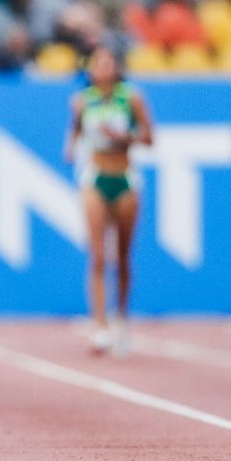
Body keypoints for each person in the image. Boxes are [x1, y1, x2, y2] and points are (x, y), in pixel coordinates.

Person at [66, 47, 155, 356]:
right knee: (98, 255)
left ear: (116, 67)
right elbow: (74, 134)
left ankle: (121, 319)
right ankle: (99, 323)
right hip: (95, 176)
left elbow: (149, 137)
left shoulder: (131, 98)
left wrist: (124, 137)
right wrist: (72, 146)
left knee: (123, 256)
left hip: (126, 177)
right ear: (89, 68)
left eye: (109, 61)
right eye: (97, 62)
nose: (103, 67)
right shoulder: (81, 101)